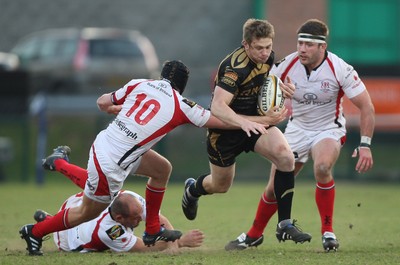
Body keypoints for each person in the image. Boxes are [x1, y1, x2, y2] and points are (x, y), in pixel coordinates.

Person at [19, 60, 284, 256]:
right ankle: (36, 232)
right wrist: (264, 121)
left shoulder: (140, 84)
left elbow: (103, 102)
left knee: (161, 168)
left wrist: (116, 107)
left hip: (110, 146)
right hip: (113, 161)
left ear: (162, 76)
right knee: (87, 212)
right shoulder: (182, 104)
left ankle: (152, 228)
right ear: (182, 86)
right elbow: (221, 121)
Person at [225, 19, 375, 252]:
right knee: (273, 188)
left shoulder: (340, 68)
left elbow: (367, 106)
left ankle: (328, 232)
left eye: (308, 44)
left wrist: (365, 144)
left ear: (322, 47)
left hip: (328, 128)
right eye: (299, 43)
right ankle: (254, 235)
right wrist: (278, 97)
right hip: (296, 129)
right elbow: (263, 94)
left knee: (323, 167)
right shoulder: (286, 65)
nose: (302, 49)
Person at [181, 18, 312, 248]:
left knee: (285, 156)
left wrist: (282, 89)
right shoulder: (234, 68)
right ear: (246, 44)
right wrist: (244, 122)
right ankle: (193, 189)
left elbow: (266, 82)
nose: (265, 53)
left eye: (268, 47)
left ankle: (285, 224)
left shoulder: (268, 58)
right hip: (226, 131)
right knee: (221, 185)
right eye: (259, 48)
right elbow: (218, 107)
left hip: (256, 123)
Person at [33, 190, 203, 253]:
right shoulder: (109, 231)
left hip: (75, 204)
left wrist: (171, 238)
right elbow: (142, 247)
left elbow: (158, 218)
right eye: (136, 218)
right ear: (120, 219)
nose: (141, 219)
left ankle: (48, 220)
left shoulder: (129, 198)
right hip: (68, 239)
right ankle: (49, 223)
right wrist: (180, 243)